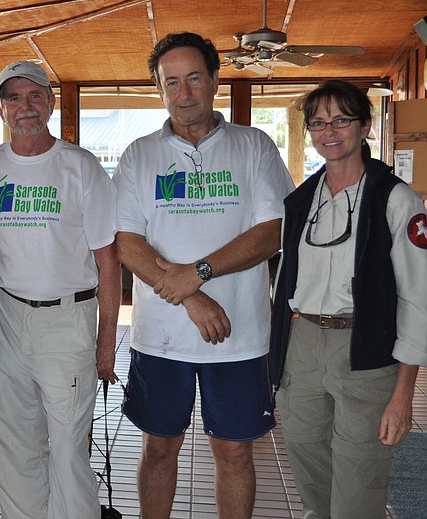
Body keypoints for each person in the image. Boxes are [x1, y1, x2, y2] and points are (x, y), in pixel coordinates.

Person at [113, 32, 294, 519]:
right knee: (158, 448)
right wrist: (192, 295)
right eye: (171, 82)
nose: (184, 91)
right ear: (160, 89)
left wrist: (200, 272)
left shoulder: (253, 146)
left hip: (240, 334)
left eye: (194, 78)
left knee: (234, 451)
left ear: (214, 80)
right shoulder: (138, 155)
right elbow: (127, 243)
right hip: (161, 338)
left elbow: (273, 230)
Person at [0, 61, 121, 519]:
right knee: (11, 440)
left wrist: (106, 342)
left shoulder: (79, 166)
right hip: (5, 316)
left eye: (34, 96)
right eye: (13, 97)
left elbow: (107, 261)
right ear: (0, 109)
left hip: (66, 318)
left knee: (69, 446)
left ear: (50, 103)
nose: (24, 106)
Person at [269, 80, 427, 518]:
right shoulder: (301, 201)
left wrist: (403, 396)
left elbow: (419, 298)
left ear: (365, 126)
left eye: (341, 119)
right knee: (306, 458)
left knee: (359, 474)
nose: (329, 131)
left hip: (365, 349)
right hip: (302, 345)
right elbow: (285, 282)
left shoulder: (395, 199)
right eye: (318, 123)